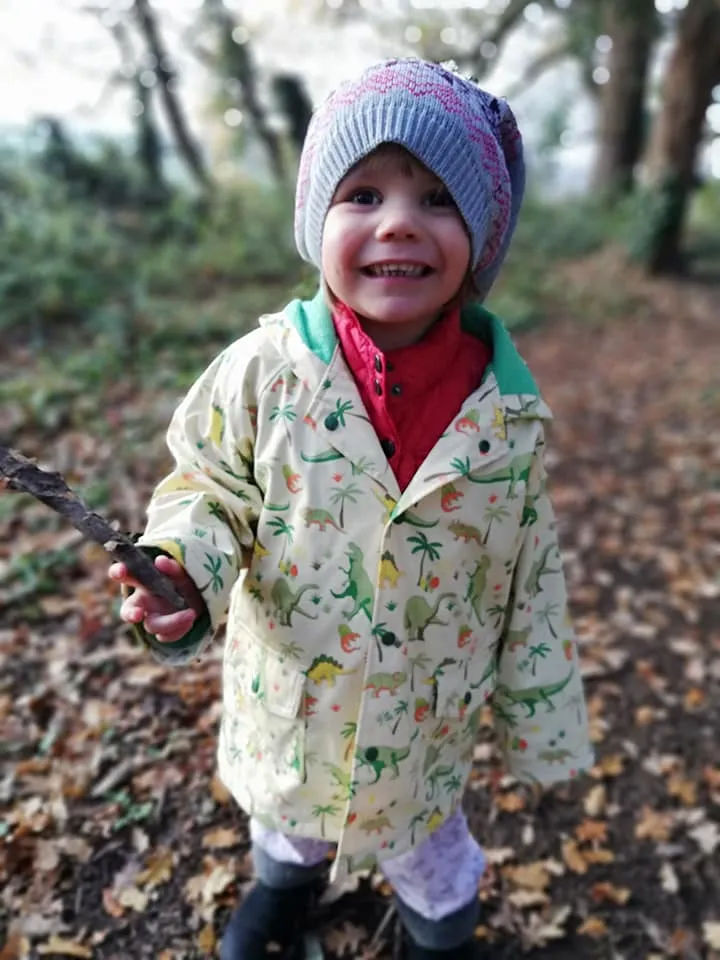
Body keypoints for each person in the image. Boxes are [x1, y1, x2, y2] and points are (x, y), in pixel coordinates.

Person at [109, 58, 593, 960]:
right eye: (363, 193)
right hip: (297, 701)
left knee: (435, 864)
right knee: (290, 825)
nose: (399, 222)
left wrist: (541, 716)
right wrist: (182, 572)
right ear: (316, 223)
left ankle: (438, 935)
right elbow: (207, 490)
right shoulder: (264, 373)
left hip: (426, 722)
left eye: (439, 199)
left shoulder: (504, 411)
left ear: (481, 236)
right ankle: (284, 888)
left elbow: (532, 572)